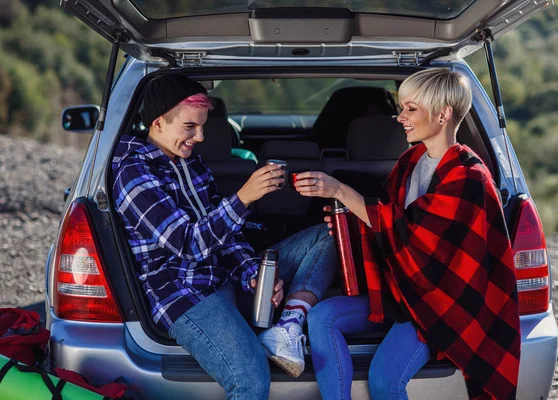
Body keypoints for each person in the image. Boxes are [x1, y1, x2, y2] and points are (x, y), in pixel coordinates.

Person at [294, 68, 521, 400]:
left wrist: (342, 191)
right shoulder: (411, 160)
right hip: (401, 291)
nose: (399, 117)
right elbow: (391, 229)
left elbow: (409, 231)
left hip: (440, 304)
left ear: (443, 114)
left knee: (384, 379)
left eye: (410, 109)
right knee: (322, 316)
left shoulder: (470, 177)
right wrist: (350, 225)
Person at [111, 75, 337, 399]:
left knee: (323, 236)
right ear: (158, 123)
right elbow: (188, 243)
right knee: (251, 381)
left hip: (221, 277)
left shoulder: (190, 163)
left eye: (202, 127)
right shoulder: (133, 173)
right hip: (184, 293)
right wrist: (244, 197)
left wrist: (252, 275)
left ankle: (286, 327)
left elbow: (226, 235)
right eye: (191, 127)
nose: (200, 137)